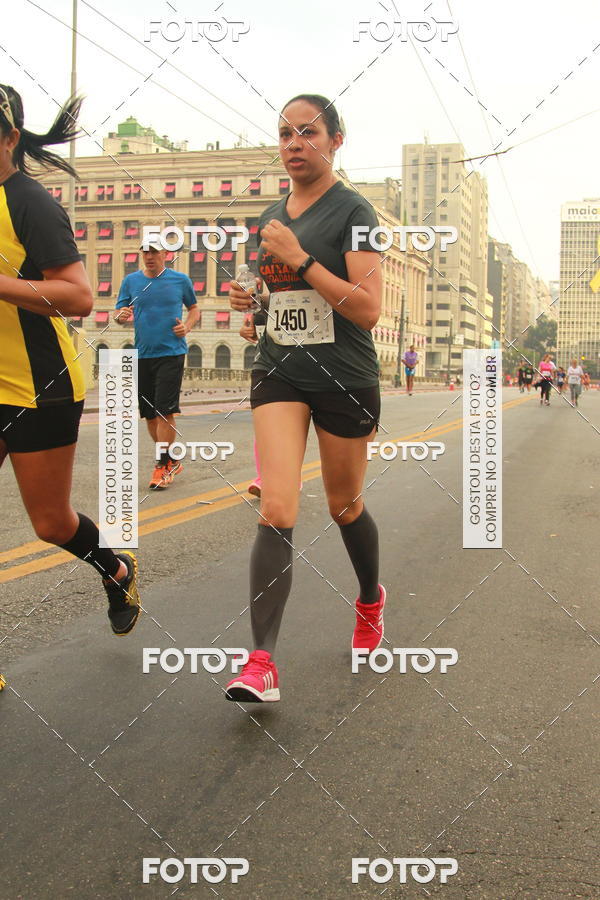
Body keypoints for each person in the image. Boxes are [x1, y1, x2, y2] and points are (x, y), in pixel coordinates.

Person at [226, 93, 384, 703]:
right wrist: (250, 304)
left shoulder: (357, 211)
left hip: (343, 375)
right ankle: (260, 663)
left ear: (336, 140)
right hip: (280, 371)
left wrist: (300, 258)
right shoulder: (269, 215)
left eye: (308, 132)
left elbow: (367, 310)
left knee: (345, 504)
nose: (294, 144)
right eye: (286, 134)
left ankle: (370, 598)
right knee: (278, 507)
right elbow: (265, 297)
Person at [0, 84, 140, 638]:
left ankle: (115, 566)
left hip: (41, 385)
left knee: (51, 522)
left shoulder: (29, 202)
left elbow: (79, 297)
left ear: (10, 137)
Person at [115, 242, 199, 490]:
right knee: (149, 416)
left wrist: (188, 326)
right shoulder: (131, 281)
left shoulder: (180, 280)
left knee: (164, 411)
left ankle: (162, 465)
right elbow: (120, 312)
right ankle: (170, 459)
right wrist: (119, 317)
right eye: (145, 252)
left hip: (172, 353)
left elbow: (194, 308)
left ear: (165, 254)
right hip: (142, 355)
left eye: (154, 252)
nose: (149, 256)